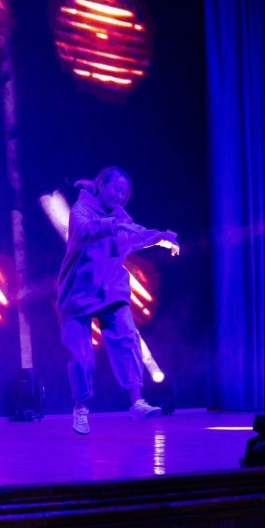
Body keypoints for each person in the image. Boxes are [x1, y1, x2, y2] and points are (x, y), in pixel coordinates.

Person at [56, 166, 180, 435]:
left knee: (127, 339)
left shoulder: (122, 218)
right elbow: (84, 230)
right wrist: (112, 224)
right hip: (77, 293)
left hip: (111, 289)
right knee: (82, 359)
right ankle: (81, 407)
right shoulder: (81, 209)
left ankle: (136, 402)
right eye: (116, 189)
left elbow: (138, 234)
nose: (120, 195)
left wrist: (163, 238)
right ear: (102, 185)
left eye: (124, 192)